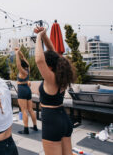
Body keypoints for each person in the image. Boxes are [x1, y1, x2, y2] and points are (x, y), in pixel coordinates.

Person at [34, 27, 75, 155]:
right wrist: (45, 35)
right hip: (63, 119)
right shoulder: (60, 75)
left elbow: (39, 60)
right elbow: (52, 52)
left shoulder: (51, 78)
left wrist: (38, 37)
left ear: (49, 66)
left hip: (52, 122)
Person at [14, 47, 38, 134]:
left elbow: (18, 65)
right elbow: (23, 58)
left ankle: (26, 129)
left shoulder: (22, 72)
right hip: (27, 89)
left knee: (24, 110)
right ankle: (35, 126)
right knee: (30, 109)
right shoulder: (28, 68)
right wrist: (19, 52)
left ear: (22, 66)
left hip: (22, 90)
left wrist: (16, 54)